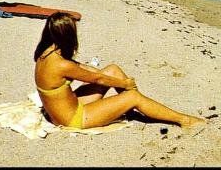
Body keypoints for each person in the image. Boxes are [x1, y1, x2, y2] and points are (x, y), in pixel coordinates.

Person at [34, 12, 205, 130]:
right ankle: (184, 120)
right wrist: (126, 84)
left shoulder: (47, 53)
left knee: (112, 70)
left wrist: (106, 75)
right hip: (74, 118)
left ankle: (134, 105)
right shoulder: (62, 65)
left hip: (64, 109)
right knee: (133, 95)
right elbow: (97, 80)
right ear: (67, 36)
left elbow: (85, 70)